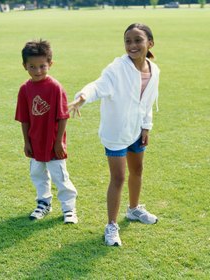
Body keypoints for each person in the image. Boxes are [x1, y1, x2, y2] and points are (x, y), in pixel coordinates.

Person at [68, 23, 160, 245]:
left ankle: (134, 209)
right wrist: (82, 97)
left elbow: (148, 101)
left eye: (138, 40)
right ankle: (111, 225)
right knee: (118, 178)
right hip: (116, 133)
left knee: (137, 170)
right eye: (128, 41)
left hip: (137, 130)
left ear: (150, 43)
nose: (132, 45)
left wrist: (146, 126)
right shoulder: (116, 69)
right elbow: (97, 86)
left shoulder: (154, 70)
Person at [15, 39, 78, 224]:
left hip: (53, 144)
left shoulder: (55, 88)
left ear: (50, 64)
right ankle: (43, 203)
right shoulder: (25, 89)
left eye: (42, 66)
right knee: (37, 175)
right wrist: (26, 142)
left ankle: (69, 209)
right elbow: (24, 118)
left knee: (60, 177)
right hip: (35, 143)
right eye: (32, 67)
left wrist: (59, 142)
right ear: (24, 66)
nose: (37, 71)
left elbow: (63, 116)